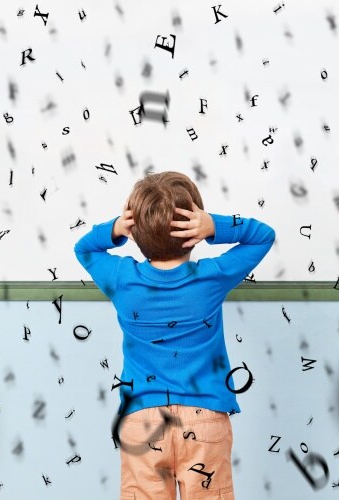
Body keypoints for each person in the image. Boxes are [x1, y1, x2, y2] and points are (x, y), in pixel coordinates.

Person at [74, 171, 276, 500]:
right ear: (193, 231)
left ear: (135, 229)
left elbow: (84, 249)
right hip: (205, 419)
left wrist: (116, 228)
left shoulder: (122, 278)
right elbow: (263, 235)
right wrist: (214, 226)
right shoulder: (212, 277)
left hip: (142, 421)